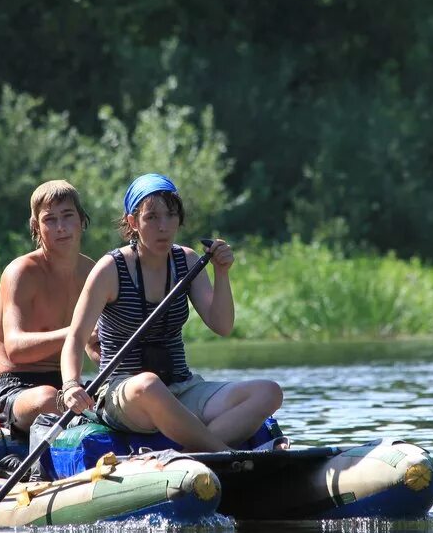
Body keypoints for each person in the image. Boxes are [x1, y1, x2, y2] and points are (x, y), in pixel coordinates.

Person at [58, 173, 285, 451]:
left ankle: (195, 452)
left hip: (182, 388)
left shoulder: (187, 261)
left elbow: (222, 325)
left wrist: (221, 272)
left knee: (268, 391)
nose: (163, 226)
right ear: (133, 222)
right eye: (151, 217)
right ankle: (223, 453)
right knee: (149, 384)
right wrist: (70, 386)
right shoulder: (110, 269)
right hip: (125, 393)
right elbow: (76, 339)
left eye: (170, 215)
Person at [0, 180, 97, 436]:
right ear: (36, 227)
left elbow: (95, 349)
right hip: (18, 388)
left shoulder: (91, 272)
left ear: (82, 221)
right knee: (51, 398)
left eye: (68, 216)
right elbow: (14, 348)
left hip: (70, 384)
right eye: (50, 220)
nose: (60, 228)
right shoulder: (21, 272)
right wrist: (77, 332)